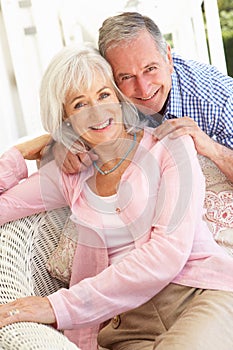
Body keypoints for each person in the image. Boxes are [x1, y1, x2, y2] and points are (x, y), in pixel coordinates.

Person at [1, 44, 233, 350]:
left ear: (119, 97)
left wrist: (58, 307)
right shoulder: (68, 172)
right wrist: (21, 152)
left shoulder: (170, 147)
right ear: (65, 119)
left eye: (103, 95)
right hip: (123, 324)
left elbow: (168, 252)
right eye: (80, 105)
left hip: (198, 294)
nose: (97, 112)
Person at [53, 11, 233, 182]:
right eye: (127, 77)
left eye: (150, 69)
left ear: (168, 58)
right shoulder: (108, 96)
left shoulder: (219, 98)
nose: (144, 90)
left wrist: (213, 149)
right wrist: (62, 142)